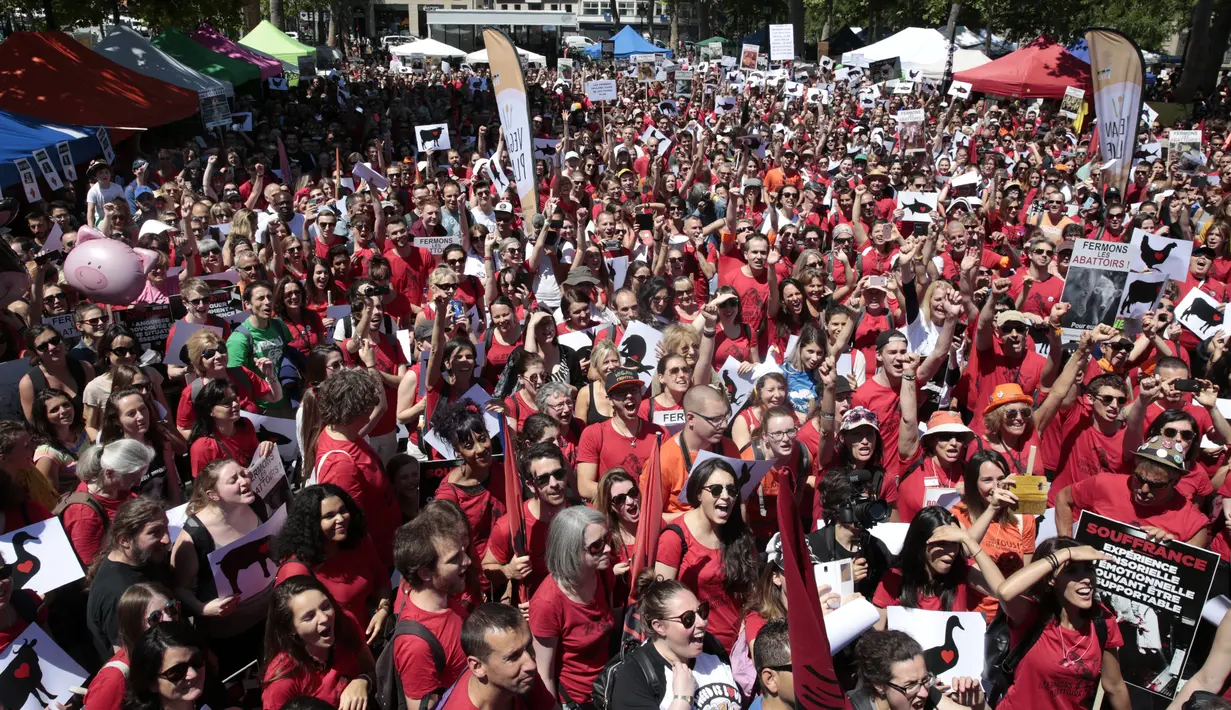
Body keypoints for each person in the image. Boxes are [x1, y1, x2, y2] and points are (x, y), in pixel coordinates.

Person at [994, 537, 1130, 710]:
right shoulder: (1030, 615)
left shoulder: (1103, 620)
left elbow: (1115, 687)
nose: (1086, 579)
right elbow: (1005, 592)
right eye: (1072, 571)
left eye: (1089, 569)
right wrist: (1065, 554)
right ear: (1051, 580)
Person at [169, 458, 269, 677]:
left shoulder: (255, 504)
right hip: (229, 636)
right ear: (213, 495)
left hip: (269, 621)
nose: (244, 482)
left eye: (243, 474)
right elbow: (179, 588)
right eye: (233, 480)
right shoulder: (195, 535)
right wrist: (203, 608)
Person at [655, 458, 759, 651]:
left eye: (732, 490)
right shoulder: (674, 538)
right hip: (698, 652)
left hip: (740, 649)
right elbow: (661, 605)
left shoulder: (740, 534)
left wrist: (750, 637)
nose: (726, 496)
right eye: (716, 490)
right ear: (698, 494)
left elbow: (752, 597)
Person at [272, 484, 389, 636]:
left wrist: (383, 610)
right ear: (311, 525)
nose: (340, 519)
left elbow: (382, 579)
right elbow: (288, 628)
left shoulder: (359, 541)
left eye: (343, 511)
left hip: (367, 644)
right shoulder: (295, 570)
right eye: (329, 516)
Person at [610, 574, 742, 710]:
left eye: (702, 612)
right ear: (659, 626)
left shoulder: (711, 646)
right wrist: (682, 700)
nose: (702, 622)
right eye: (688, 619)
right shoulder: (634, 676)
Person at [529, 505, 616, 706]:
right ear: (571, 551)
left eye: (607, 539)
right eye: (596, 546)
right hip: (576, 701)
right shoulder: (547, 603)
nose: (608, 549)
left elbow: (611, 622)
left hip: (609, 685)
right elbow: (544, 675)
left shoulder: (602, 573)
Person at [312, 368, 400, 567]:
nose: (372, 411)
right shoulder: (340, 466)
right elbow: (352, 529)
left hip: (386, 547)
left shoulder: (342, 432)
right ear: (355, 411)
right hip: (376, 559)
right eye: (368, 407)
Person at [1056, 435, 1210, 545]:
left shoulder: (1192, 524)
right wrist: (1066, 546)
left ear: (1175, 481)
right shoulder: (1104, 484)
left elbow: (1189, 576)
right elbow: (1063, 498)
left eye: (1156, 485)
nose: (1144, 489)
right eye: (1139, 479)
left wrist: (1171, 550)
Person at [390, 503, 472, 708]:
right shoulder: (415, 645)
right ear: (425, 574)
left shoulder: (446, 599)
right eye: (455, 559)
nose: (468, 561)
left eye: (464, 552)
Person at [872, 506, 1007, 626]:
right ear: (920, 544)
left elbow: (1002, 591)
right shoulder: (893, 579)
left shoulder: (961, 571)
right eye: (941, 544)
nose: (951, 553)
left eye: (954, 543)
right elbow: (875, 638)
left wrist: (969, 541)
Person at [261, 575, 375, 710]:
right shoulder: (282, 683)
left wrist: (363, 681)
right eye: (309, 617)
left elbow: (372, 670)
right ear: (291, 629)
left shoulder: (345, 623)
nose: (324, 618)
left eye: (325, 606)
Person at [951, 450, 1035, 622]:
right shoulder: (958, 515)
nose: (996, 487)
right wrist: (993, 508)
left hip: (1009, 617)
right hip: (972, 617)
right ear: (974, 484)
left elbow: (1027, 575)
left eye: (1001, 479)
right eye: (987, 480)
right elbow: (965, 550)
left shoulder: (1024, 519)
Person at [87, 497, 173, 661]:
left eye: (166, 528)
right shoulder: (117, 593)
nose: (167, 539)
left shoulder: (147, 558)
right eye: (155, 532)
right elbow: (128, 656)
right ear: (125, 540)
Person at [485, 442, 571, 602]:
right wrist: (508, 571)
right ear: (531, 485)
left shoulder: (583, 514)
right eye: (543, 479)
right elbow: (485, 571)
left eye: (558, 474)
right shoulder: (511, 526)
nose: (554, 484)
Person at [435, 603, 559, 710]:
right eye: (513, 657)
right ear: (478, 667)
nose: (532, 665)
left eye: (528, 646)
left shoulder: (523, 676)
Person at [85, 582, 181, 710]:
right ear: (134, 626)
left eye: (171, 608)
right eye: (156, 617)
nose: (169, 618)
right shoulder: (114, 679)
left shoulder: (182, 650)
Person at [577, 368, 665, 500]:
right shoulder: (594, 433)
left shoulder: (659, 433)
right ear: (610, 400)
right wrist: (626, 497)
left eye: (634, 390)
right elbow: (584, 487)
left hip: (649, 513)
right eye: (621, 392)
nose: (629, 395)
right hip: (611, 514)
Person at [61, 440, 153, 566]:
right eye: (133, 478)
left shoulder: (118, 489)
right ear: (109, 473)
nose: (137, 483)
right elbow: (93, 567)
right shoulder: (85, 515)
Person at [175, 329, 280, 439]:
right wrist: (208, 444)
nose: (218, 355)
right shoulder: (192, 392)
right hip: (221, 453)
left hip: (254, 444)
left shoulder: (242, 374)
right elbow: (183, 428)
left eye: (221, 349)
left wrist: (270, 376)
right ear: (199, 360)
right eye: (209, 354)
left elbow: (274, 397)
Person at [847, 630, 987, 710]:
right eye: (911, 685)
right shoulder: (852, 707)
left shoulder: (925, 690)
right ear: (879, 685)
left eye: (926, 680)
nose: (924, 693)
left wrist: (980, 706)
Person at [122, 620, 236, 710]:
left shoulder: (211, 689)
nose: (193, 674)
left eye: (197, 660)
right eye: (177, 671)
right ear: (151, 683)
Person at [100, 385, 181, 504]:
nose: (141, 417)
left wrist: (177, 509)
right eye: (131, 414)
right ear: (117, 421)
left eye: (143, 409)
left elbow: (172, 482)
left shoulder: (161, 440)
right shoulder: (114, 455)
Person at [226, 280, 294, 412]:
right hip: (262, 408)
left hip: (287, 401)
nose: (267, 302)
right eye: (260, 298)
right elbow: (236, 381)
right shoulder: (238, 340)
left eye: (269, 297)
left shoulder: (279, 325)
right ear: (247, 304)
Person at [187, 380, 273, 477]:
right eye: (227, 402)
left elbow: (256, 459)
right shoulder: (203, 447)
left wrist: (264, 447)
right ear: (210, 411)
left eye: (235, 399)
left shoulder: (245, 425)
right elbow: (202, 486)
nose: (235, 404)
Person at [19, 323, 94, 423]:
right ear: (34, 352)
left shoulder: (85, 368)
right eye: (43, 347)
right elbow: (34, 425)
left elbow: (94, 410)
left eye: (54, 341)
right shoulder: (28, 383)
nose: (52, 347)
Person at [30, 387, 88, 494]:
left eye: (66, 405)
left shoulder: (81, 431)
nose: (64, 411)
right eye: (54, 410)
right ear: (45, 417)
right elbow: (50, 496)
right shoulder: (47, 454)